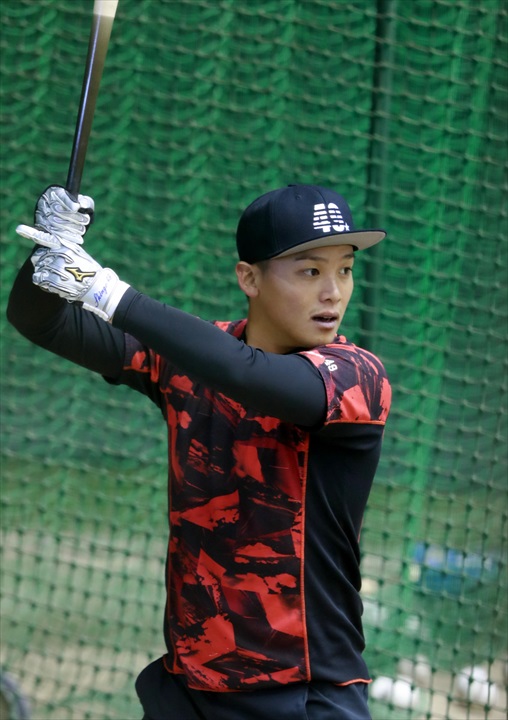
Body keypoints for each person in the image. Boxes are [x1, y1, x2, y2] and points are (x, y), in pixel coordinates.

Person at [7, 183, 391, 720]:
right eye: (310, 271)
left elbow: (244, 373)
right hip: (187, 689)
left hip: (303, 695)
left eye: (345, 270)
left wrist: (107, 292)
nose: (333, 292)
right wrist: (50, 248)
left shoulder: (355, 377)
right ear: (248, 278)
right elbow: (39, 320)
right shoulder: (190, 359)